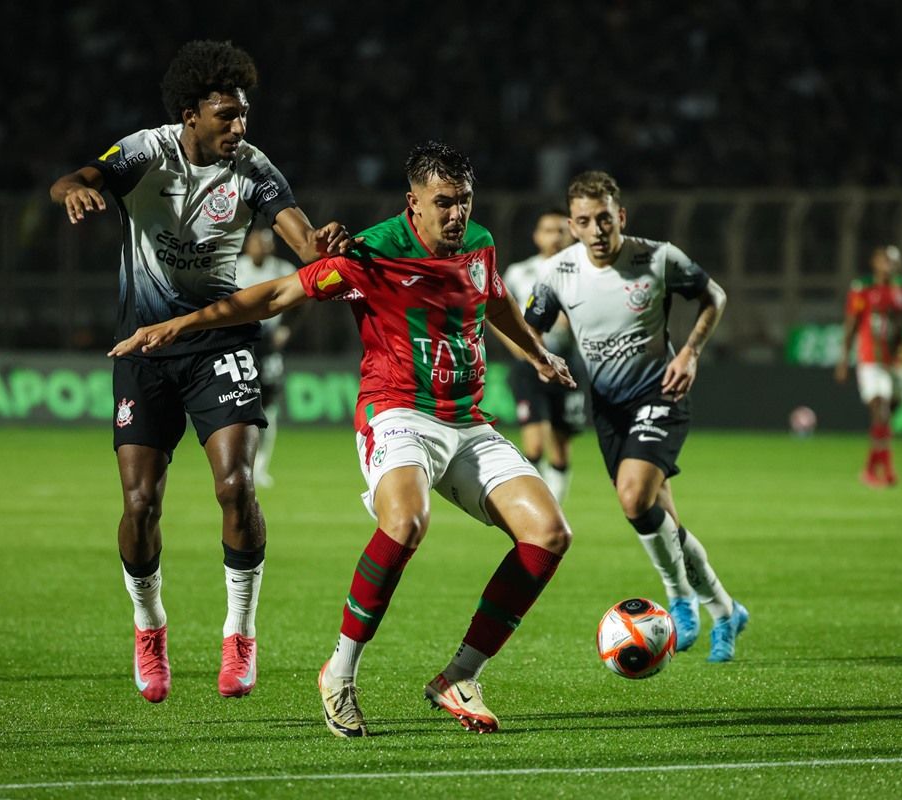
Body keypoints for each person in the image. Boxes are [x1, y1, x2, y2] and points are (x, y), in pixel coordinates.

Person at [110, 141, 576, 736]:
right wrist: (180, 324)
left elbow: (496, 300)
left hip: (467, 420)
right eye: (443, 203)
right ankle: (340, 673)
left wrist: (537, 357)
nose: (457, 214)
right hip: (397, 412)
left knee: (550, 533)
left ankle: (459, 675)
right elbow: (277, 294)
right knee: (406, 521)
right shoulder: (370, 253)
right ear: (414, 203)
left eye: (463, 201)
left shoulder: (480, 244)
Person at [49, 40, 353, 704]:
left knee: (237, 487)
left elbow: (301, 241)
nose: (239, 128)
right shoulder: (145, 152)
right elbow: (81, 178)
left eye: (243, 115)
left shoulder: (252, 167)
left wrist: (323, 249)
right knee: (140, 503)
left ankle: (239, 633)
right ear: (191, 114)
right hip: (145, 350)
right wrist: (74, 188)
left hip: (222, 342)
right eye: (226, 116)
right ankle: (148, 624)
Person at [524, 171, 747, 662]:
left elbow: (715, 296)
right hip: (607, 406)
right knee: (657, 517)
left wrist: (689, 352)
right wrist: (539, 357)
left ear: (620, 216)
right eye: (585, 221)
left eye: (605, 218)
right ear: (572, 225)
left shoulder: (657, 257)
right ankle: (726, 609)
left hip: (660, 392)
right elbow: (526, 328)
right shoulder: (559, 272)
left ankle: (680, 599)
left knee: (632, 498)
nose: (597, 229)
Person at [499, 211, 585, 503]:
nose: (555, 236)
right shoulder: (519, 272)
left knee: (560, 446)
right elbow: (496, 312)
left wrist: (575, 323)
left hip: (568, 363)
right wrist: (517, 345)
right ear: (537, 236)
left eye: (561, 230)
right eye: (548, 230)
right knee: (534, 446)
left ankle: (555, 508)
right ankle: (534, 506)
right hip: (530, 365)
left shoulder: (585, 270)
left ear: (572, 233)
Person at [835, 245, 902, 487]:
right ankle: (887, 471)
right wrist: (843, 360)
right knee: (880, 411)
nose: (889, 265)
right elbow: (851, 325)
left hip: (895, 361)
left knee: (885, 417)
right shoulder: (863, 289)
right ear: (875, 262)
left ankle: (870, 468)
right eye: (885, 260)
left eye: (893, 261)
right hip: (870, 360)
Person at [234, 226, 298, 488]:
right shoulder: (235, 267)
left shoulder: (283, 270)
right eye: (255, 242)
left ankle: (261, 466)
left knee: (269, 405)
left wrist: (288, 328)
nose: (259, 246)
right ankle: (240, 464)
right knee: (239, 405)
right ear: (247, 245)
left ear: (271, 246)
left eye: (264, 242)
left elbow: (303, 302)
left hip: (269, 345)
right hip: (240, 345)